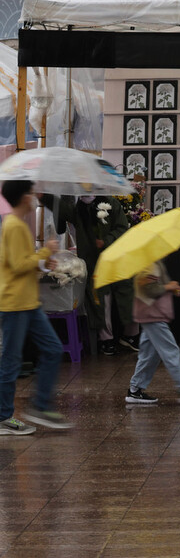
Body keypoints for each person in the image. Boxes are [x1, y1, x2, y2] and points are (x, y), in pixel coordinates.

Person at [0, 181, 73, 435]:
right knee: (10, 361)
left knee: (52, 349)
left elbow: (20, 263)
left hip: (27, 302)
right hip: (15, 303)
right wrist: (44, 252)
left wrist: (43, 262)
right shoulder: (13, 225)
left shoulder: (18, 225)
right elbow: (19, 265)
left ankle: (40, 405)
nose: (35, 196)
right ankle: (3, 417)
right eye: (31, 192)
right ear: (22, 197)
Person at [42, 193, 138, 356]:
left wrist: (106, 240)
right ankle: (106, 339)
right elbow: (63, 213)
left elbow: (121, 228)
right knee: (100, 301)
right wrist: (46, 195)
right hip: (93, 262)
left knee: (127, 294)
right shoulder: (79, 208)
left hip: (117, 259)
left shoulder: (112, 204)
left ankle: (131, 336)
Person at [125, 258, 180, 405]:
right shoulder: (149, 264)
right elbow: (150, 289)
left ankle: (135, 390)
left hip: (150, 315)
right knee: (169, 351)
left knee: (149, 356)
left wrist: (171, 288)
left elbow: (155, 286)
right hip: (152, 315)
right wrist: (169, 287)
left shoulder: (152, 262)